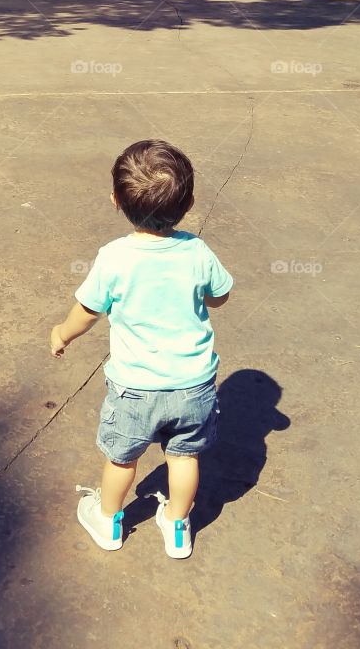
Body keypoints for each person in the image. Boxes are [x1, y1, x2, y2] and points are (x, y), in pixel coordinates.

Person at [50, 139, 232, 559]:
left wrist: (62, 333)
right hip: (194, 386)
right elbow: (220, 296)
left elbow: (87, 311)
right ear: (190, 202)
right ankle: (177, 525)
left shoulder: (114, 258)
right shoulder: (197, 251)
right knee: (184, 458)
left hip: (135, 389)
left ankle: (109, 520)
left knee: (122, 459)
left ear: (116, 201)